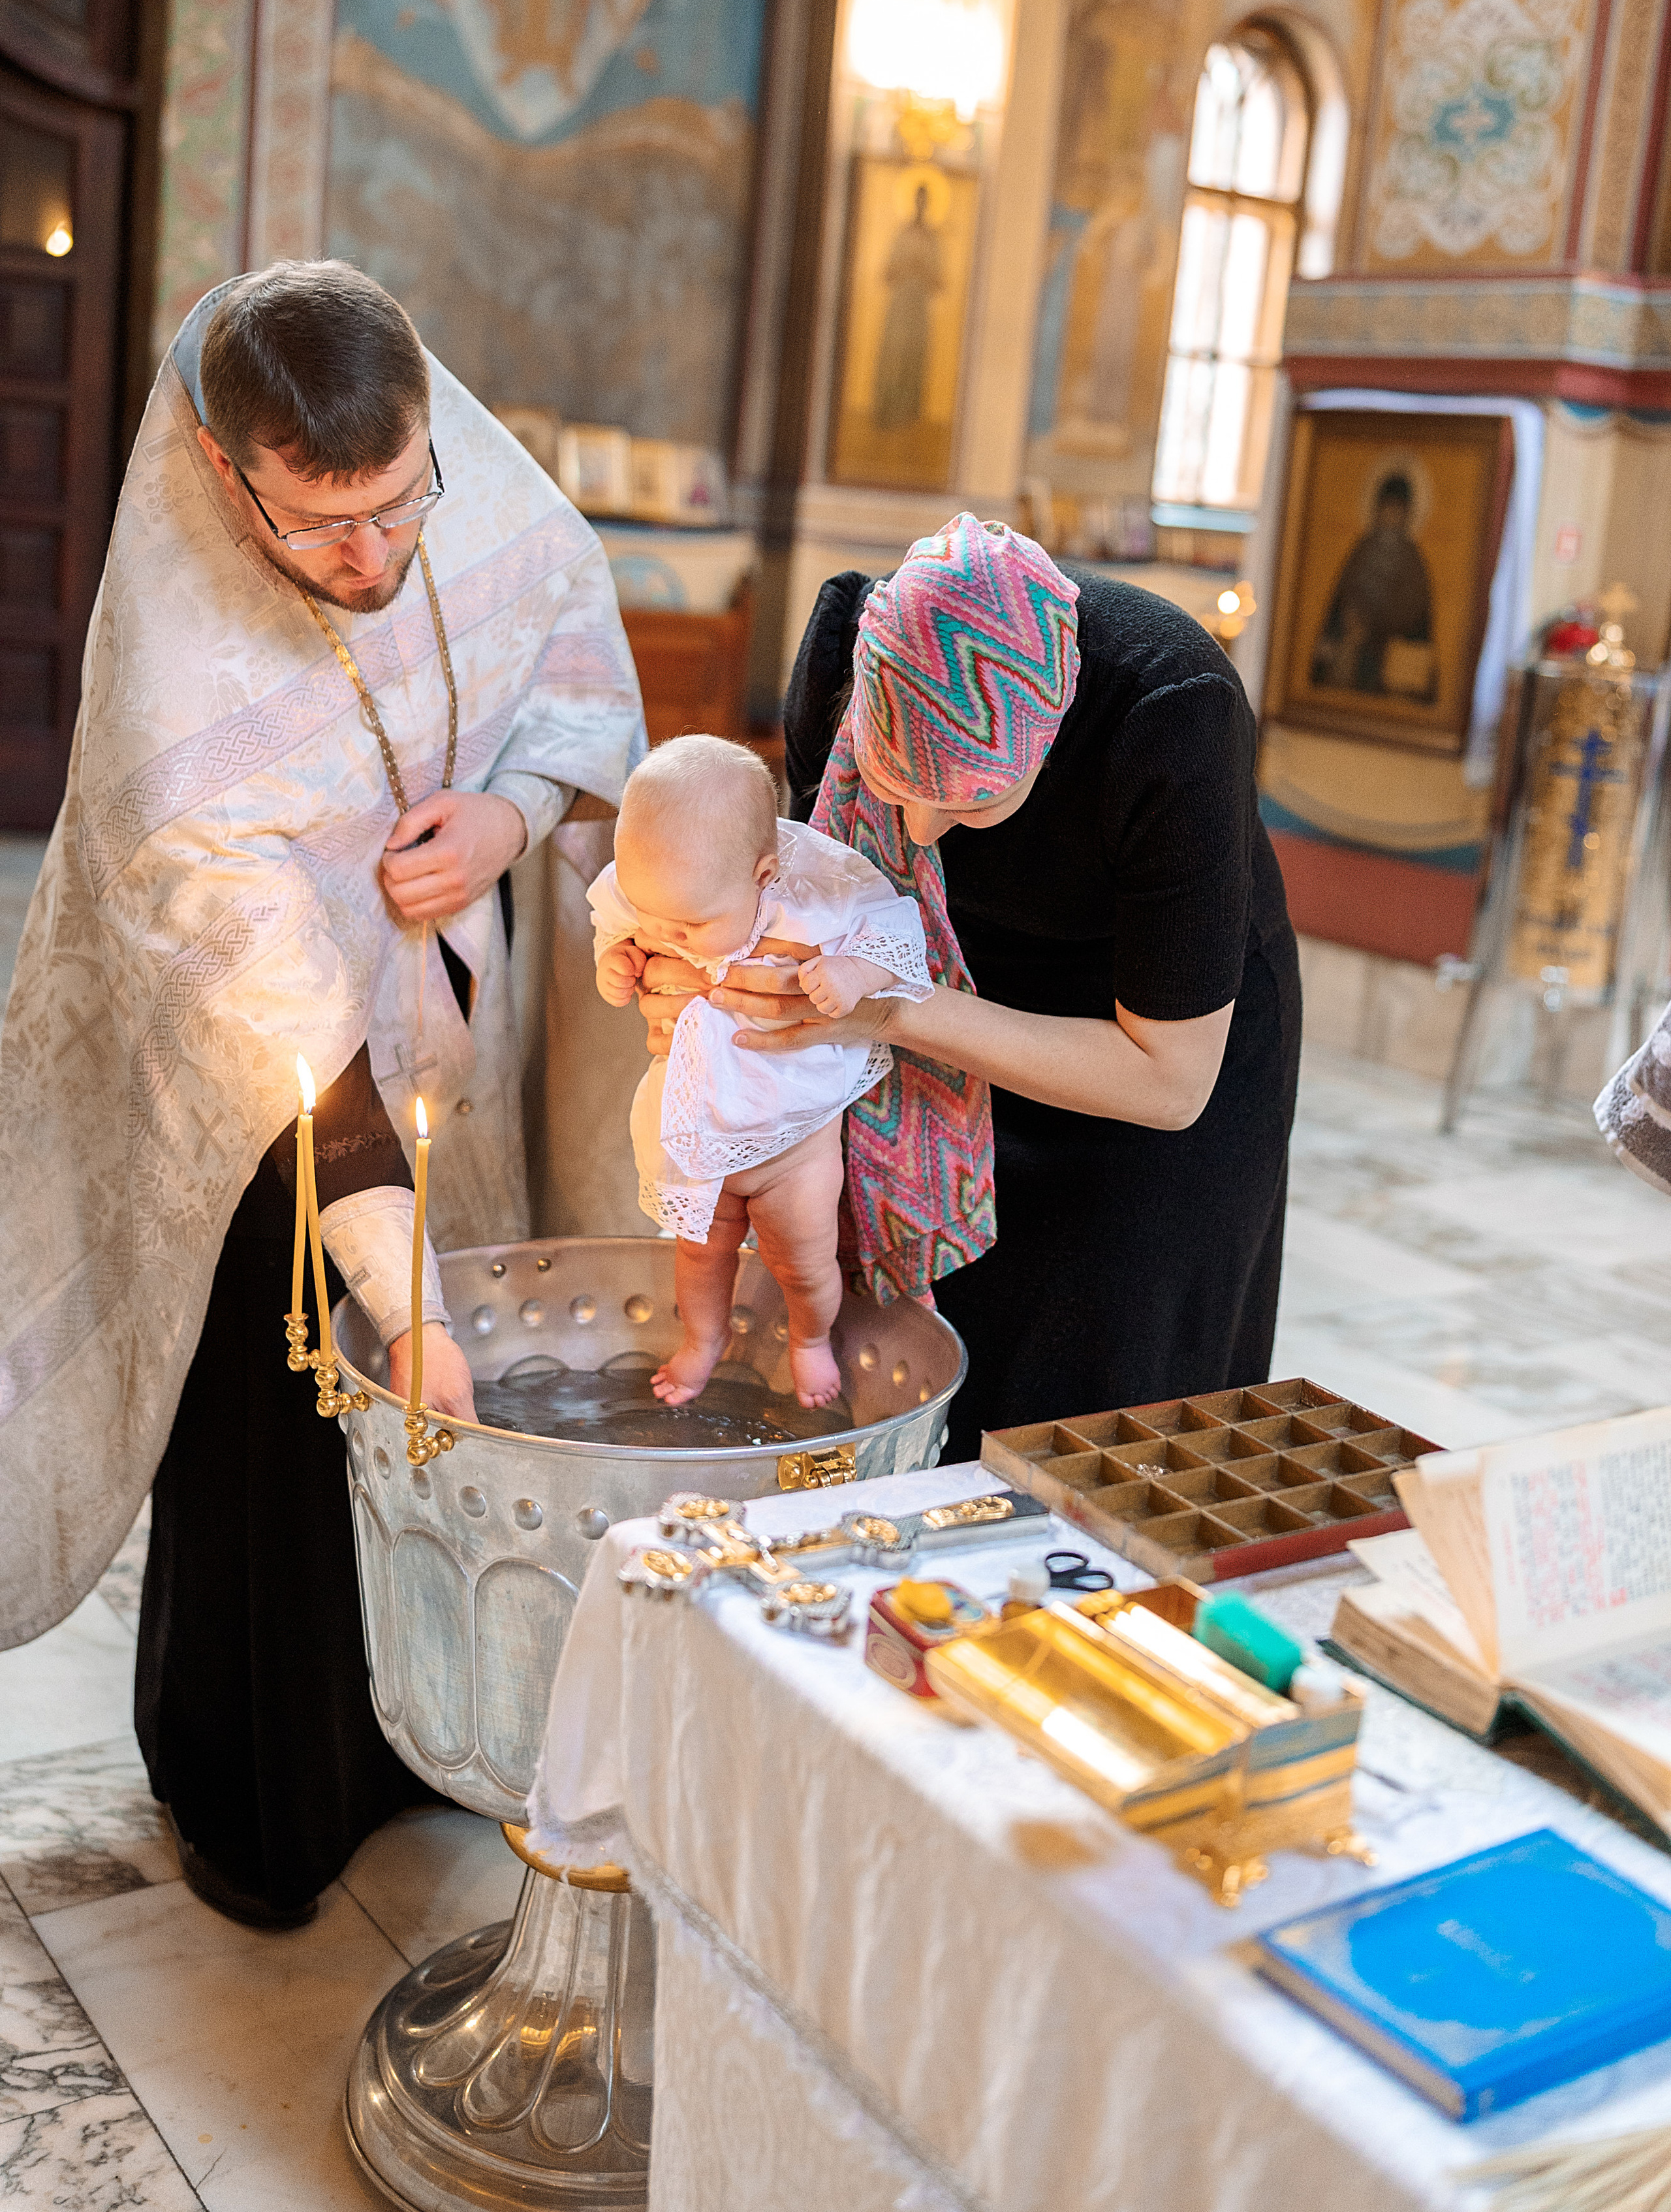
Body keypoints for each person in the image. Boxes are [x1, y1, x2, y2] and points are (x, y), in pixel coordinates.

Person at [0, 261, 642, 1925]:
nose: (375, 556)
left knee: (440, 1412)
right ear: (228, 474)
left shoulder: (459, 482)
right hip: (267, 1108)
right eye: (320, 526)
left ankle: (424, 1743)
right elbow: (278, 1011)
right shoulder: (176, 691)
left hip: (452, 1036)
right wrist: (399, 1294)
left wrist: (504, 812)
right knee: (290, 1431)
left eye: (396, 503)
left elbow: (573, 659)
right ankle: (261, 1800)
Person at [634, 516, 1301, 1461]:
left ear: (1050, 737)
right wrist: (678, 960)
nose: (919, 827)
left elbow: (1170, 1084)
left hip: (1150, 1059)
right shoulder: (845, 655)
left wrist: (901, 1011)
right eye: (891, 778)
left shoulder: (1171, 713)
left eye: (971, 800)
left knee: (1098, 1414)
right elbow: (792, 900)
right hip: (929, 991)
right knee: (950, 1377)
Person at [590, 735, 932, 1408]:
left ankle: (809, 1338)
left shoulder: (817, 895)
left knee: (803, 1261)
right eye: (650, 914)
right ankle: (702, 1340)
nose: (665, 933)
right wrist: (617, 960)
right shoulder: (657, 887)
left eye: (688, 924)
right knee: (697, 1256)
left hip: (793, 1146)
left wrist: (853, 970)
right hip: (697, 1138)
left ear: (764, 874)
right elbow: (616, 930)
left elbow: (897, 932)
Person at [1309, 470, 1436, 699]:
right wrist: (1345, 624)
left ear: (1407, 514)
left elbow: (1414, 610)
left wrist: (1373, 626)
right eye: (1387, 509)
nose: (1391, 516)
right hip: (1350, 643)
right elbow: (1340, 596)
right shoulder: (1363, 549)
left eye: (1398, 511)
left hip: (1390, 651)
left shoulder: (1412, 559)